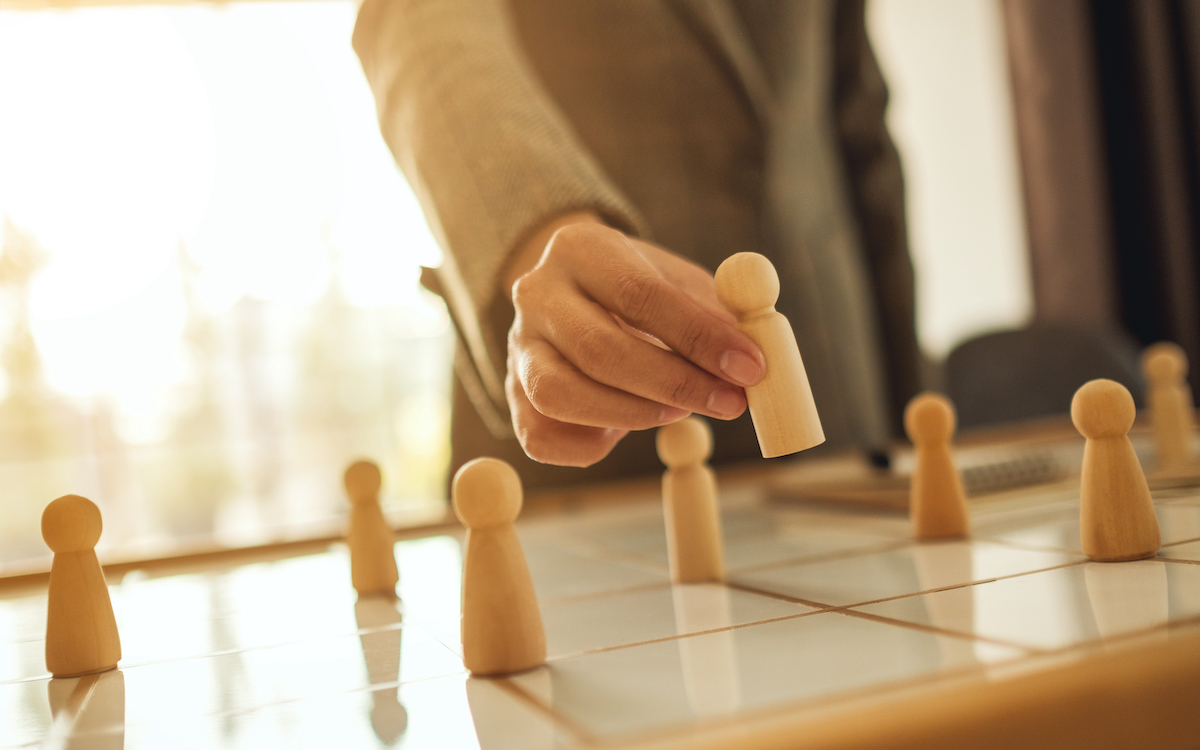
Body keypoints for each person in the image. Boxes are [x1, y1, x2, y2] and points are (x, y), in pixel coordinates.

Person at [353, 0, 921, 489]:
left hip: (841, 401)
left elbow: (859, 130)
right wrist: (539, 229)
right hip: (590, 416)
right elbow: (418, 23)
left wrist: (914, 413)